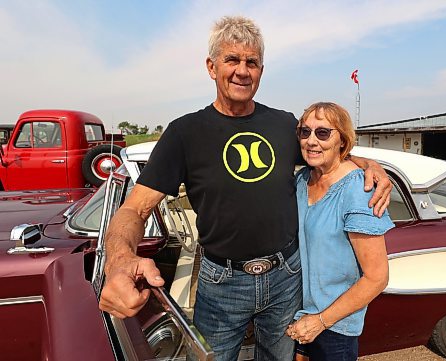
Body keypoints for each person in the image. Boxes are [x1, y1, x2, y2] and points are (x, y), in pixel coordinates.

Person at [99, 16, 392, 361]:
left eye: (251, 62)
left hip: (286, 277)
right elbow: (134, 208)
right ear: (211, 67)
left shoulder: (284, 125)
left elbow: (327, 152)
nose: (242, 70)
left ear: (261, 71)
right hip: (221, 282)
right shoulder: (184, 133)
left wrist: (369, 165)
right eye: (232, 60)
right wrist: (118, 262)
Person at [286, 102, 394, 361]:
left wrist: (320, 322)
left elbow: (377, 278)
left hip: (334, 327)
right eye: (305, 132)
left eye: (323, 133)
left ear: (342, 142)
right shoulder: (303, 180)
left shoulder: (358, 189)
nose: (311, 140)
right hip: (300, 318)